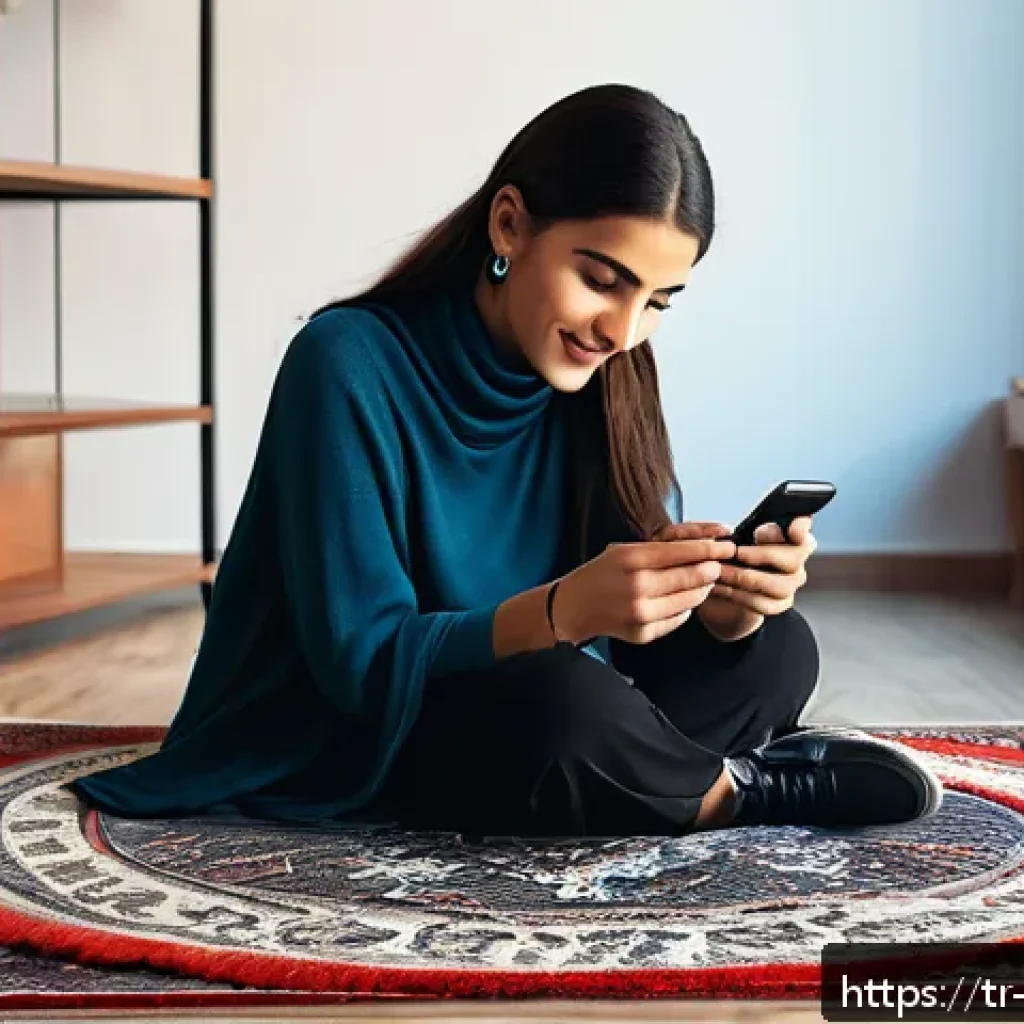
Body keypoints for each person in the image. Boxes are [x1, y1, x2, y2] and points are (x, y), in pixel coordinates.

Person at [67, 83, 942, 837]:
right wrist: (565, 608)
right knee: (558, 707)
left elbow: (625, 634)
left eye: (658, 300)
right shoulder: (344, 362)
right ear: (511, 223)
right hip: (367, 730)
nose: (623, 329)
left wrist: (722, 604)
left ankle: (665, 780)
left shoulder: (612, 365)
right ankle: (738, 793)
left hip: (557, 685)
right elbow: (362, 664)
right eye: (602, 280)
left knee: (776, 649)